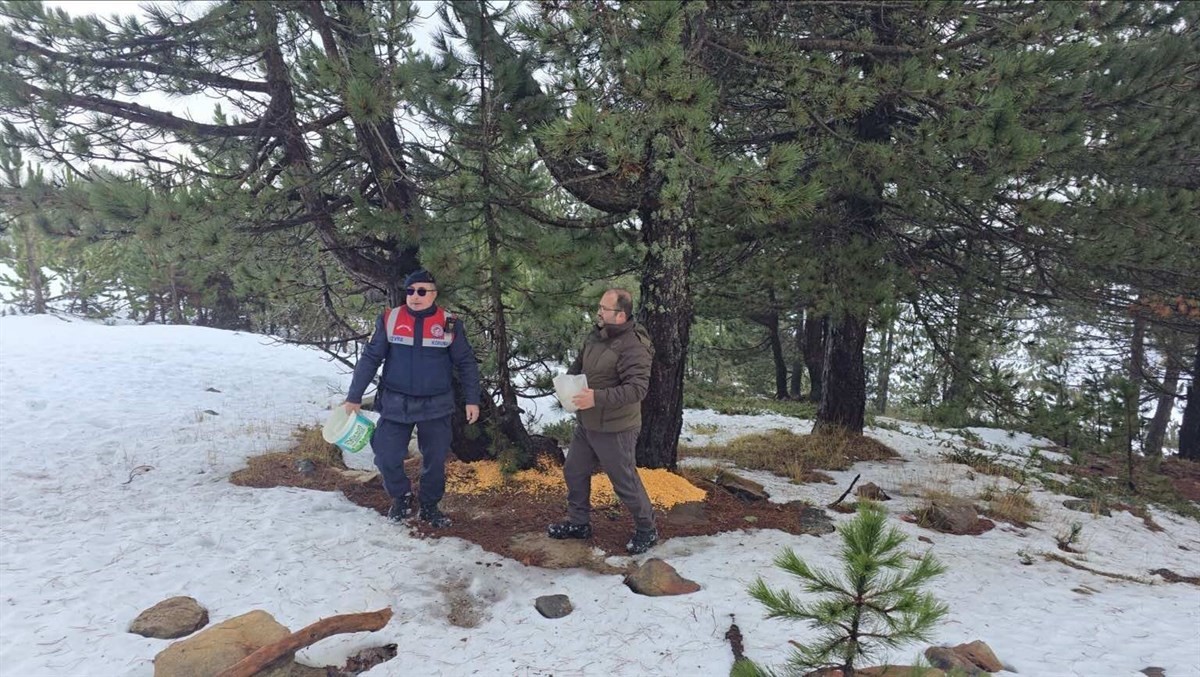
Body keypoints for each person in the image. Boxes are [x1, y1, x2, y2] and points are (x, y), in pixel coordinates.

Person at [343, 269, 481, 528]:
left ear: (434, 294)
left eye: (422, 291)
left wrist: (472, 399)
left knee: (435, 459)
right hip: (396, 402)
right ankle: (401, 497)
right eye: (410, 291)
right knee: (385, 454)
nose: (415, 296)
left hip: (436, 404)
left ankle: (429, 505)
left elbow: (466, 363)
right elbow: (371, 358)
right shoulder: (390, 319)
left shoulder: (450, 323)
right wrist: (354, 396)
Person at [548, 288, 658, 554]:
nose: (598, 312)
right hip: (587, 423)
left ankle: (647, 529)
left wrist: (596, 397)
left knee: (624, 481)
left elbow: (636, 390)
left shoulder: (634, 346)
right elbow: (580, 366)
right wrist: (567, 383)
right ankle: (579, 523)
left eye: (604, 309)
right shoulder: (597, 335)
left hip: (616, 428)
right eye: (599, 307)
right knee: (574, 470)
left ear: (620, 315)